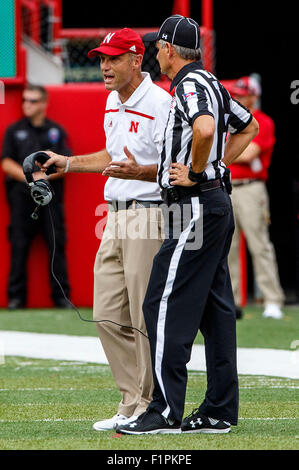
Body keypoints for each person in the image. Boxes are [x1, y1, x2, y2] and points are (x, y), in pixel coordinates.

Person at [115, 15, 259, 435]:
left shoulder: (190, 85)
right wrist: (215, 168)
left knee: (160, 301)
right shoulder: (211, 82)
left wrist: (199, 172)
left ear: (169, 50)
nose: (155, 54)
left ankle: (163, 409)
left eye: (157, 47)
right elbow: (247, 125)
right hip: (211, 203)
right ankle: (218, 410)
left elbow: (206, 127)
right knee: (216, 313)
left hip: (193, 205)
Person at [38, 28, 171, 431]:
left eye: (113, 58)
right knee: (106, 312)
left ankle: (148, 403)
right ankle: (131, 397)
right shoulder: (113, 100)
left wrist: (141, 172)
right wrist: (69, 162)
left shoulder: (163, 103)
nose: (104, 66)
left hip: (149, 213)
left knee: (141, 314)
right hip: (114, 213)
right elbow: (113, 156)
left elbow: (175, 165)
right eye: (101, 58)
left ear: (136, 59)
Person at [1, 84, 71, 310]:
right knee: (19, 246)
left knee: (56, 247)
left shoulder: (56, 131)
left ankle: (61, 298)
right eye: (24, 100)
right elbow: (6, 162)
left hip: (50, 201)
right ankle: (16, 298)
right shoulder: (14, 131)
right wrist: (30, 178)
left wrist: (43, 178)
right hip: (21, 200)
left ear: (43, 104)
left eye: (32, 101)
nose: (26, 105)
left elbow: (65, 163)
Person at [227, 76, 285, 319]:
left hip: (251, 188)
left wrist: (218, 151)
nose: (237, 98)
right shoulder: (228, 121)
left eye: (242, 94)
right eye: (236, 94)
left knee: (259, 245)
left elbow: (249, 153)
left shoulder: (262, 121)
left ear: (254, 96)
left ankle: (272, 299)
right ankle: (231, 301)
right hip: (227, 187)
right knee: (227, 248)